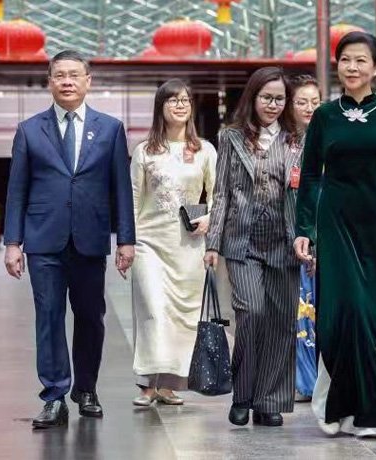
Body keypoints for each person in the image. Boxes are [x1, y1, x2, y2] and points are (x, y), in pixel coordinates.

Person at [294, 31, 376, 438]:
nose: (352, 67)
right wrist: (305, 229)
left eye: (361, 60)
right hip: (337, 227)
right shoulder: (324, 116)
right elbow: (311, 175)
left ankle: (374, 411)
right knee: (342, 314)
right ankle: (339, 405)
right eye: (346, 60)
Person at [3, 50, 135, 428]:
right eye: (59, 75)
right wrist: (13, 243)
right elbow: (17, 191)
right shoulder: (29, 130)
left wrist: (126, 239)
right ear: (49, 82)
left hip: (90, 239)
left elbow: (121, 189)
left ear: (88, 81)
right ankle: (54, 395)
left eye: (74, 75)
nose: (67, 81)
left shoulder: (110, 129)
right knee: (49, 317)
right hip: (43, 240)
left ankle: (86, 389)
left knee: (91, 317)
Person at [203, 67, 302, 428]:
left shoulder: (297, 141)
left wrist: (308, 238)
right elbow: (221, 193)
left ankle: (269, 401)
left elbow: (306, 194)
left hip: (284, 243)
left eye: (279, 99)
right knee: (252, 313)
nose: (273, 105)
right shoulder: (231, 138)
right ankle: (243, 394)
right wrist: (213, 243)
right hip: (242, 243)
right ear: (253, 98)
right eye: (266, 98)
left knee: (281, 322)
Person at [130, 79, 217, 406]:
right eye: (172, 100)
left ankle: (169, 383)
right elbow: (133, 199)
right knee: (153, 310)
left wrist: (210, 220)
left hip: (189, 247)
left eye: (185, 100)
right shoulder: (144, 151)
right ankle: (147, 383)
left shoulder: (205, 150)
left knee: (183, 317)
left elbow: (219, 194)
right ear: (160, 107)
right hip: (149, 244)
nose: (180, 105)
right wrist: (127, 244)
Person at [288, 74, 322, 403]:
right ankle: (301, 380)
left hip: (321, 234)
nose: (309, 108)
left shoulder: (328, 140)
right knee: (298, 309)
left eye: (315, 102)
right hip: (289, 234)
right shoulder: (282, 143)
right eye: (302, 102)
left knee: (316, 308)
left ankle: (319, 379)